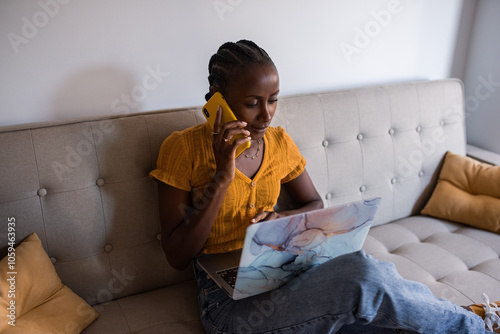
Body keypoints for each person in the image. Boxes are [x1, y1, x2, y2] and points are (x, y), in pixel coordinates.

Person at [150, 40, 499, 333]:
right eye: (252, 102)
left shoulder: (279, 142)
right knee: (360, 280)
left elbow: (313, 203)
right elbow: (178, 256)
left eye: (273, 99)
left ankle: (460, 319)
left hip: (279, 272)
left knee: (370, 277)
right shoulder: (183, 149)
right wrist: (223, 177)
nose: (267, 115)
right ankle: (477, 327)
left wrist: (282, 219)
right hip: (226, 304)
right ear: (217, 99)